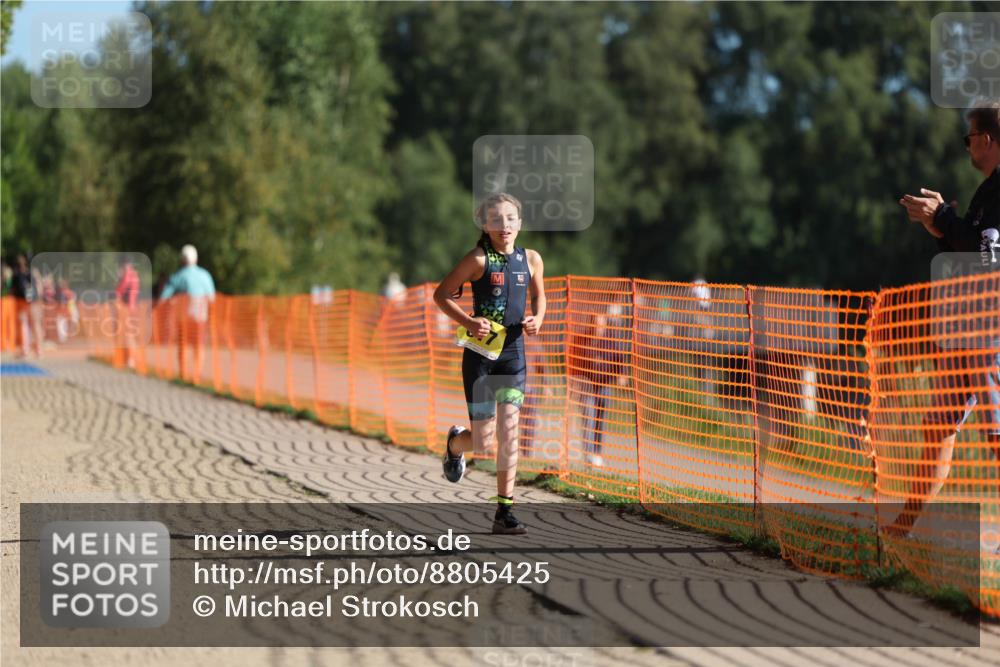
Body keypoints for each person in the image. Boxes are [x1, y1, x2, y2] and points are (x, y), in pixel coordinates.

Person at [894, 100, 1000, 535]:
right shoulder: (988, 190)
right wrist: (941, 227)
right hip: (968, 331)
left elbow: (987, 255)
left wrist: (945, 219)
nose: (967, 146)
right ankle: (903, 527)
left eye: (969, 137)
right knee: (938, 429)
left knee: (997, 438)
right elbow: (969, 248)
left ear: (987, 140)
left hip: (990, 331)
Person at [432, 192, 546, 535]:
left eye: (511, 219)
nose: (504, 226)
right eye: (496, 219)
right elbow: (442, 294)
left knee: (509, 433)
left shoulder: (532, 259)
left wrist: (538, 317)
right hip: (480, 358)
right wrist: (468, 321)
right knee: (483, 444)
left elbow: (540, 295)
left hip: (513, 357)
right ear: (485, 224)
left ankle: (504, 512)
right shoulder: (479, 259)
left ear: (520, 223)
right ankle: (455, 444)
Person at [571, 303, 632, 468]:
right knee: (589, 419)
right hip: (587, 386)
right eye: (594, 322)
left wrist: (621, 375)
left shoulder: (610, 340)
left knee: (600, 420)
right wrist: (574, 383)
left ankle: (597, 453)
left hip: (604, 385)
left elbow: (619, 359)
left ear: (604, 322)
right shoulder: (582, 340)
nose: (597, 325)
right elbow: (573, 362)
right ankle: (589, 454)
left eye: (600, 322)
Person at [159, 245, 216, 382]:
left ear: (183, 259)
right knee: (198, 345)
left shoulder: (179, 276)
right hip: (200, 317)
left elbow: (164, 297)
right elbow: (212, 298)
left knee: (183, 344)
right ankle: (197, 374)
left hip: (184, 317)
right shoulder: (205, 275)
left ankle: (183, 374)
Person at [10, 254, 43, 358]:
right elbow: (39, 287)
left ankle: (28, 349)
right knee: (34, 324)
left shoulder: (17, 274)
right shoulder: (33, 273)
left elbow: (13, 290)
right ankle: (37, 350)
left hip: (24, 301)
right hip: (31, 300)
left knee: (26, 324)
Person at [115, 256, 141, 367]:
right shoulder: (134, 275)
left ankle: (131, 360)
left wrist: (118, 278)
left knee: (128, 336)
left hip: (127, 310)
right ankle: (133, 358)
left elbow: (119, 291)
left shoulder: (128, 275)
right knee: (130, 336)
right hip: (132, 308)